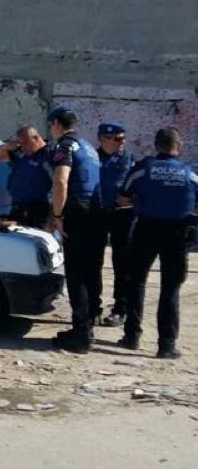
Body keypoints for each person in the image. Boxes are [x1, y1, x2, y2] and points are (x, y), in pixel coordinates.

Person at [116, 127, 197, 359]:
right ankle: (167, 345)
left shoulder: (143, 169)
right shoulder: (188, 173)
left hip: (146, 229)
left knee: (136, 282)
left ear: (156, 145)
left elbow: (123, 197)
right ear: (178, 146)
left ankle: (131, 336)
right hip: (177, 232)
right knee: (170, 288)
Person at [46, 106, 101, 353]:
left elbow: (60, 180)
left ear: (57, 123)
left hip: (77, 210)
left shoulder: (64, 146)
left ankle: (81, 335)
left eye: (50, 126)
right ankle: (87, 326)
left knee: (77, 272)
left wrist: (57, 215)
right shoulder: (88, 148)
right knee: (90, 271)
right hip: (96, 211)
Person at [92, 121, 134, 327]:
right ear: (102, 139)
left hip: (122, 216)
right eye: (117, 139)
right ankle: (93, 307)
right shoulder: (92, 157)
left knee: (122, 263)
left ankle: (120, 309)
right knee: (93, 262)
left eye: (123, 138)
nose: (122, 142)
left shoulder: (128, 157)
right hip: (97, 213)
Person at [0, 124, 51, 228]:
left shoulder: (48, 154)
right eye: (20, 143)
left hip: (38, 208)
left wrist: (53, 215)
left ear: (36, 138)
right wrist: (6, 146)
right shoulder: (21, 154)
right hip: (18, 206)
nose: (22, 147)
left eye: (25, 143)